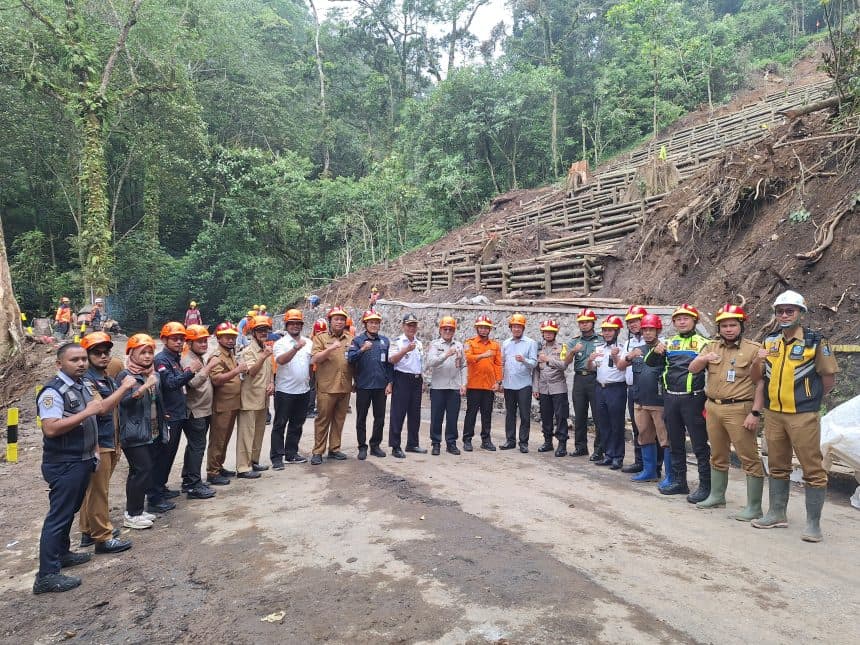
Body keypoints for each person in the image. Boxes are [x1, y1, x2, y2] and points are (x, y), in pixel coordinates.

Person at [752, 290, 839, 541]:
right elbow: (757, 378)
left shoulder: (815, 342)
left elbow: (828, 379)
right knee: (777, 465)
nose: (784, 315)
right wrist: (758, 360)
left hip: (803, 415)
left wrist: (809, 399)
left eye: (790, 311)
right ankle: (776, 513)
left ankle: (813, 524)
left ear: (801, 313)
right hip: (774, 414)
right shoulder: (769, 341)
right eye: (780, 311)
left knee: (812, 468)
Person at [33, 344, 105, 594]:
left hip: (82, 459)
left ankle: (62, 554)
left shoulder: (81, 385)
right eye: (74, 360)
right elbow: (51, 428)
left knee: (69, 511)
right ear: (59, 364)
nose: (82, 363)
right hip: (64, 462)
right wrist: (86, 412)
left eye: (84, 359)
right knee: (58, 516)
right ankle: (46, 575)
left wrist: (95, 449)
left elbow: (92, 420)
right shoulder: (53, 392)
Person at [687, 304, 765, 516]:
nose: (729, 329)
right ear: (719, 328)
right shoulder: (711, 347)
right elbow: (692, 369)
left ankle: (754, 507)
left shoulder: (753, 349)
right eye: (724, 326)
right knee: (717, 454)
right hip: (713, 407)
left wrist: (755, 412)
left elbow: (761, 384)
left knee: (748, 456)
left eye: (733, 325)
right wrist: (703, 359)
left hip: (739, 408)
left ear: (741, 326)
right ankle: (717, 496)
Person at [645, 304, 711, 502]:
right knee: (675, 442)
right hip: (671, 398)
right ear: (673, 322)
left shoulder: (705, 343)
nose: (682, 322)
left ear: (694, 321)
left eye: (686, 318)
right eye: (678, 319)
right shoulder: (668, 342)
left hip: (693, 399)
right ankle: (679, 481)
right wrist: (656, 351)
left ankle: (706, 486)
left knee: (699, 444)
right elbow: (649, 362)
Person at [78, 332, 136, 554]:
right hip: (98, 442)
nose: (103, 356)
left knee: (94, 490)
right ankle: (102, 537)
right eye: (97, 353)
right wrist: (124, 388)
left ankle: (88, 530)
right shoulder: (87, 380)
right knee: (99, 491)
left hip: (110, 440)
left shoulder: (105, 377)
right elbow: (101, 408)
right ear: (87, 355)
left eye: (106, 352)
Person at [148, 322, 195, 513]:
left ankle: (161, 487)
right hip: (169, 415)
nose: (179, 342)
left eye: (181, 339)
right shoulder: (162, 359)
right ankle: (155, 496)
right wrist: (190, 372)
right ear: (164, 340)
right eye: (174, 339)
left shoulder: (175, 358)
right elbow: (170, 384)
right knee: (163, 455)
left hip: (177, 412)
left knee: (170, 454)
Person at [617, 314, 668, 483]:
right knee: (644, 436)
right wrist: (629, 356)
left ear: (658, 330)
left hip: (659, 402)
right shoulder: (638, 350)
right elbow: (621, 366)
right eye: (645, 330)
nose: (647, 333)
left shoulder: (664, 348)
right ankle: (649, 471)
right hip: (640, 401)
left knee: (665, 439)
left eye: (651, 330)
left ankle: (671, 475)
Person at [117, 334, 161, 530]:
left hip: (148, 430)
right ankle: (132, 514)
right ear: (132, 354)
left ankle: (136, 509)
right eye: (142, 352)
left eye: (150, 352)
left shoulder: (147, 374)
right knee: (141, 469)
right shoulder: (126, 375)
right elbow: (124, 402)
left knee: (142, 470)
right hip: (132, 432)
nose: (147, 356)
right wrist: (144, 387)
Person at [310, 306, 354, 464]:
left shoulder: (350, 339)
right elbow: (315, 358)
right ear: (330, 321)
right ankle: (318, 452)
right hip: (327, 387)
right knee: (323, 420)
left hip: (344, 385)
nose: (339, 322)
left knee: (339, 420)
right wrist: (331, 348)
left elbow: (354, 360)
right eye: (336, 319)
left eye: (342, 319)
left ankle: (334, 449)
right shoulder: (320, 338)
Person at [206, 322, 247, 485]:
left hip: (232, 403)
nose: (231, 340)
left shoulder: (230, 354)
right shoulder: (216, 357)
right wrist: (237, 370)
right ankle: (213, 472)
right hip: (222, 405)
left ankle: (219, 466)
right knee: (218, 439)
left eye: (233, 337)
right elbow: (216, 380)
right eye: (227, 337)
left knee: (225, 438)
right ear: (218, 338)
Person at [347, 309, 392, 460]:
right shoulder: (357, 341)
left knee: (380, 418)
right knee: (361, 417)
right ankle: (362, 447)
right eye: (371, 322)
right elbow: (350, 359)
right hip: (363, 385)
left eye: (376, 322)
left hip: (380, 386)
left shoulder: (385, 341)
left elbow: (389, 364)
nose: (374, 325)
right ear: (365, 324)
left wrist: (390, 382)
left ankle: (375, 445)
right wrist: (362, 349)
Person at [270, 309, 313, 468]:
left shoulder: (308, 342)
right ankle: (276, 458)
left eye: (298, 323)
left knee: (297, 424)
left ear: (302, 325)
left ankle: (291, 454)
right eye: (292, 323)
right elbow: (281, 360)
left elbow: (312, 362)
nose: (295, 326)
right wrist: (295, 348)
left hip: (303, 390)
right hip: (285, 391)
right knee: (280, 424)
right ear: (286, 325)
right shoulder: (280, 344)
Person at [179, 325, 217, 499]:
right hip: (195, 411)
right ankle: (194, 485)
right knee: (197, 447)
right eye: (199, 341)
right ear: (189, 343)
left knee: (194, 446)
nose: (204, 344)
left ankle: (188, 480)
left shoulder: (198, 357)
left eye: (205, 341)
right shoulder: (188, 359)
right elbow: (192, 383)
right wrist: (209, 368)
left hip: (202, 409)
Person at [236, 315, 274, 478]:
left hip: (263, 398)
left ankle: (254, 461)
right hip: (249, 398)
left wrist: (272, 383)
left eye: (265, 330)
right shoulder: (248, 351)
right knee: (246, 434)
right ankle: (243, 468)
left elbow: (269, 370)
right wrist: (263, 356)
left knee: (258, 432)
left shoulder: (266, 348)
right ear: (253, 333)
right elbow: (251, 371)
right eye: (259, 330)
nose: (263, 333)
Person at [588, 316, 628, 469]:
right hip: (600, 388)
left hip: (616, 388)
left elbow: (622, 367)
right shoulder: (599, 349)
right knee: (603, 423)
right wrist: (590, 360)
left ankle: (618, 457)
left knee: (616, 424)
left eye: (610, 330)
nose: (607, 333)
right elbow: (591, 368)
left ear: (617, 331)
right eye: (605, 330)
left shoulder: (623, 348)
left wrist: (615, 355)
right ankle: (608, 454)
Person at [425, 316, 466, 455]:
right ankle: (436, 443)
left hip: (454, 386)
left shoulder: (459, 345)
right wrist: (446, 355)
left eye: (450, 329)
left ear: (454, 331)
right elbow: (431, 362)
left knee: (453, 417)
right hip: (438, 386)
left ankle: (451, 443)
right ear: (440, 330)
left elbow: (464, 366)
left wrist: (464, 383)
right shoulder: (435, 344)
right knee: (436, 417)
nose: (448, 331)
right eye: (445, 329)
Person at [388, 313, 426, 457]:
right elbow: (392, 360)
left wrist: (422, 379)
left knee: (415, 414)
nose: (411, 328)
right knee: (398, 413)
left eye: (414, 325)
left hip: (416, 379)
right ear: (403, 326)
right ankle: (395, 446)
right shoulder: (397, 342)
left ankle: (412, 443)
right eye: (409, 325)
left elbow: (420, 362)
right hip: (402, 378)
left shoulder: (419, 343)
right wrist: (405, 350)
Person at [463, 315, 502, 451]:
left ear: (489, 330)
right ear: (477, 328)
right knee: (471, 413)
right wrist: (482, 355)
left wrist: (498, 382)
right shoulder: (470, 343)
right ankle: (467, 439)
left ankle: (486, 440)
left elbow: (498, 364)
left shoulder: (495, 345)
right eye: (481, 327)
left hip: (489, 386)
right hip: (474, 385)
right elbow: (467, 358)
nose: (483, 330)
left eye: (486, 328)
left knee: (487, 414)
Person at [533, 319, 572, 456]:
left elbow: (563, 365)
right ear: (542, 333)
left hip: (558, 387)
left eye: (551, 332)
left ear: (555, 333)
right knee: (545, 416)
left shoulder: (562, 347)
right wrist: (535, 388)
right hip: (543, 388)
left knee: (561, 417)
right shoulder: (539, 349)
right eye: (546, 332)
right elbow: (536, 370)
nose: (548, 334)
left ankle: (562, 444)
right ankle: (547, 441)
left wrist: (548, 359)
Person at [500, 313, 538, 452]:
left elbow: (534, 363)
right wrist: (500, 381)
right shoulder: (506, 343)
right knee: (510, 414)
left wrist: (524, 360)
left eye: (519, 327)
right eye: (514, 326)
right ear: (510, 328)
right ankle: (510, 440)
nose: (516, 329)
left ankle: (523, 442)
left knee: (524, 415)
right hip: (509, 384)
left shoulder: (530, 343)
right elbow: (502, 363)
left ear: (523, 328)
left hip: (524, 385)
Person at [569, 309, 602, 459]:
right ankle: (580, 447)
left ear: (593, 323)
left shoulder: (601, 340)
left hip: (595, 378)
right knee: (580, 415)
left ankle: (599, 450)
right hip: (579, 379)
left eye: (587, 322)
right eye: (581, 322)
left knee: (598, 415)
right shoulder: (575, 341)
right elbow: (565, 361)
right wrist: (573, 351)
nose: (584, 325)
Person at [621, 306, 649, 473]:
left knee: (651, 428)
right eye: (630, 322)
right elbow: (621, 365)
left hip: (649, 389)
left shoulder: (654, 340)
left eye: (636, 321)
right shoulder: (628, 343)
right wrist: (629, 356)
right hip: (632, 388)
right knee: (637, 426)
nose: (633, 324)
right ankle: (640, 461)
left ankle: (654, 465)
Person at [307, 318, 328, 418]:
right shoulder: (322, 340)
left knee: (313, 388)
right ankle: (310, 409)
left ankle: (312, 408)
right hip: (316, 367)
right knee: (313, 388)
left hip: (314, 367)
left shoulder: (311, 339)